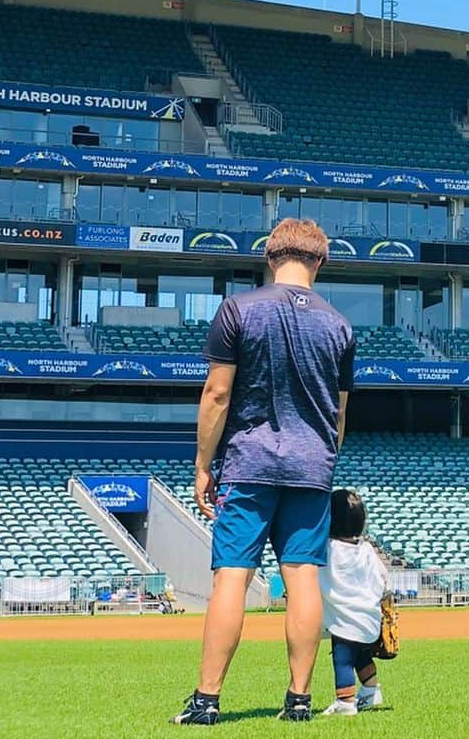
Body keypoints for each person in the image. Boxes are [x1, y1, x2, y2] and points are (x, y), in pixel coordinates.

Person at [171, 218, 355, 726]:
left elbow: (216, 394)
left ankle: (207, 701)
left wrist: (203, 464)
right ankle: (299, 700)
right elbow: (338, 415)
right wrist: (321, 459)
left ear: (269, 258)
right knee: (303, 579)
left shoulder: (238, 309)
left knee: (232, 576)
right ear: (320, 261)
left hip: (248, 464)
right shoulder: (339, 325)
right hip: (310, 468)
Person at [320, 489, 389, 717]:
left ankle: (346, 701)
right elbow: (383, 578)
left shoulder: (328, 549)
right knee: (361, 656)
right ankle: (371, 690)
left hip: (344, 619)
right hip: (369, 617)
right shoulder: (366, 549)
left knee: (343, 660)